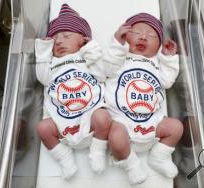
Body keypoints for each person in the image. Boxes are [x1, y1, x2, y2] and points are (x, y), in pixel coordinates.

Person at [104, 13, 183, 185]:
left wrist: (168, 58)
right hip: (122, 122)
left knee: (176, 127)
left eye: (152, 36)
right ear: (125, 37)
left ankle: (159, 156)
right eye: (137, 32)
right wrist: (117, 43)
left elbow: (168, 81)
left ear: (158, 46)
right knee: (116, 138)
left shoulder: (155, 64)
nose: (143, 36)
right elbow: (107, 69)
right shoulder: (120, 60)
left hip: (153, 124)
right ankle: (130, 164)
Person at [35, 4, 111, 179]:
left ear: (83, 40)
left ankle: (98, 150)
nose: (59, 41)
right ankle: (64, 158)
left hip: (90, 116)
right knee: (43, 128)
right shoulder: (53, 63)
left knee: (104, 118)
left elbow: (102, 74)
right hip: (62, 122)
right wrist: (44, 52)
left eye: (66, 36)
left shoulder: (86, 58)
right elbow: (43, 78)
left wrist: (91, 50)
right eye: (54, 39)